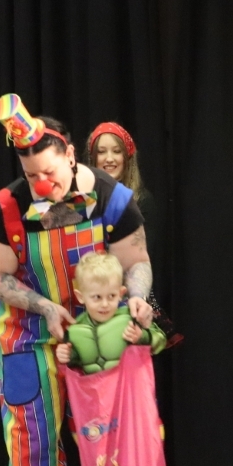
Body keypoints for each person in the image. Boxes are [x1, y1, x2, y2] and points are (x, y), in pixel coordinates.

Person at [0, 94, 154, 466]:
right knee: (30, 434)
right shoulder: (8, 207)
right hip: (28, 333)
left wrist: (138, 299)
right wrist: (45, 306)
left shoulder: (112, 199)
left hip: (100, 326)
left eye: (50, 172)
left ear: (71, 155)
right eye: (31, 174)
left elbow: (136, 262)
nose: (42, 183)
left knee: (116, 428)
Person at [55, 252, 171, 466]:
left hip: (133, 412)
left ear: (121, 292)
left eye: (111, 296)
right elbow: (75, 370)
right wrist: (68, 357)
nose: (105, 303)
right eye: (96, 297)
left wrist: (142, 336)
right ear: (81, 296)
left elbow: (160, 340)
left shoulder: (128, 319)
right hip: (99, 417)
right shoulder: (74, 331)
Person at [86, 122, 181, 346]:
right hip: (88, 297)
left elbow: (139, 259)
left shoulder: (141, 202)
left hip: (125, 297)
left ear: (127, 158)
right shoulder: (81, 201)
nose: (109, 159)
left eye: (116, 151)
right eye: (102, 152)